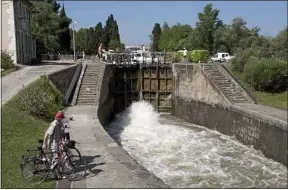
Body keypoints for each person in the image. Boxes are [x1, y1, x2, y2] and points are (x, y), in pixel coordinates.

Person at [42, 111, 66, 179]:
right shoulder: (54, 124)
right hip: (53, 144)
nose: (62, 119)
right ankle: (56, 174)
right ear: (59, 118)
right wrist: (44, 144)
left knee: (58, 158)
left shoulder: (59, 123)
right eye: (61, 118)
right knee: (56, 159)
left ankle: (57, 173)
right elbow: (46, 133)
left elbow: (62, 132)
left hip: (57, 143)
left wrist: (62, 140)